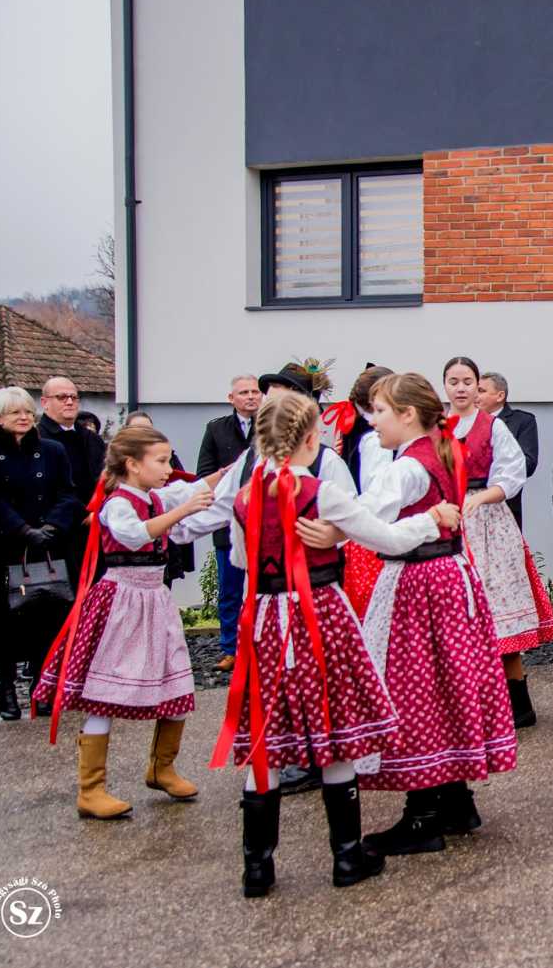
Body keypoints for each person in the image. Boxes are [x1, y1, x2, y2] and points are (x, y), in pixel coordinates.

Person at [226, 391, 460, 897]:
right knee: (333, 724)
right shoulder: (320, 493)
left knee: (270, 736)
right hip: (318, 615)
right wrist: (432, 519)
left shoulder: (244, 497)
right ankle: (346, 857)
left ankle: (258, 869)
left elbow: (241, 562)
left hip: (266, 620)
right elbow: (387, 540)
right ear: (311, 439)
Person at [346, 373, 517, 855]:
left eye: (378, 410)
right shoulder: (441, 450)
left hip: (420, 582)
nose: (371, 420)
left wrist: (325, 522)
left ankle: (423, 816)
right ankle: (455, 798)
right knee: (446, 682)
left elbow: (366, 517)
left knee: (412, 685)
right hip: (450, 575)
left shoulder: (408, 467)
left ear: (406, 415)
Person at [174, 360, 357, 796]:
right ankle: (286, 757)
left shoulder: (326, 464)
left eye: (281, 399)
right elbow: (218, 507)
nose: (270, 406)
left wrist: (334, 532)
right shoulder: (247, 464)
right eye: (267, 398)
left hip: (314, 592)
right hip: (269, 596)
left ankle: (319, 759)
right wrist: (168, 524)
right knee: (276, 679)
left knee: (317, 677)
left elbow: (354, 518)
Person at [31, 426, 218, 819]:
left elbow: (193, 491)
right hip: (121, 602)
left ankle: (161, 767)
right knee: (105, 692)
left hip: (156, 600)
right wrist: (183, 509)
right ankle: (91, 789)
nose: (169, 468)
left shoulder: (153, 497)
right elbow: (134, 536)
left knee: (178, 682)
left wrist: (241, 470)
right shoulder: (119, 503)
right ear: (132, 465)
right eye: (162, 461)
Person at [445, 357, 553, 728]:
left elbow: (513, 472)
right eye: (454, 381)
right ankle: (473, 705)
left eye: (469, 382)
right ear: (444, 386)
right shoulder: (438, 428)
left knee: (499, 617)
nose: (462, 389)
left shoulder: (493, 427)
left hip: (489, 524)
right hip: (449, 524)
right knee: (460, 617)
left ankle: (518, 705)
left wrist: (481, 497)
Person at [0, 387, 84, 720]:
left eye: (27, 411)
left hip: (47, 545)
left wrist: (51, 528)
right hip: (9, 546)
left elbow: (68, 494)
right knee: (4, 621)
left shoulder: (52, 450)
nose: (23, 417)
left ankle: (41, 687)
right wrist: (23, 530)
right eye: (15, 412)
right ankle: (5, 689)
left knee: (45, 617)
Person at [196, 374, 264, 671]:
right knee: (230, 588)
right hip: (228, 519)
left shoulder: (269, 427)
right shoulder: (216, 430)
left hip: (263, 519)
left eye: (255, 392)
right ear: (231, 398)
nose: (251, 397)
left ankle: (260, 644)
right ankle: (230, 647)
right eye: (244, 392)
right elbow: (204, 472)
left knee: (261, 586)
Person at [331, 365, 394, 618]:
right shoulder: (373, 438)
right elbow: (377, 488)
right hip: (369, 529)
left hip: (354, 522)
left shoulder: (354, 426)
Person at [37, 376, 107, 581]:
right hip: (58, 529)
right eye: (61, 397)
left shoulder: (90, 438)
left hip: (95, 528)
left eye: (74, 397)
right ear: (45, 402)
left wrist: (100, 509)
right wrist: (80, 513)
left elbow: (105, 476)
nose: (69, 402)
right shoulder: (38, 439)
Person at [124, 411, 197, 589]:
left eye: (147, 429)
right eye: (137, 429)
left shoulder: (166, 457)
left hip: (163, 538)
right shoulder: (120, 463)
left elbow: (181, 487)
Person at [477, 371, 540, 528]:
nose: (475, 396)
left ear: (500, 396)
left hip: (506, 505)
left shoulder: (522, 421)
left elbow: (528, 463)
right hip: (471, 507)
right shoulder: (465, 423)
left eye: (481, 391)